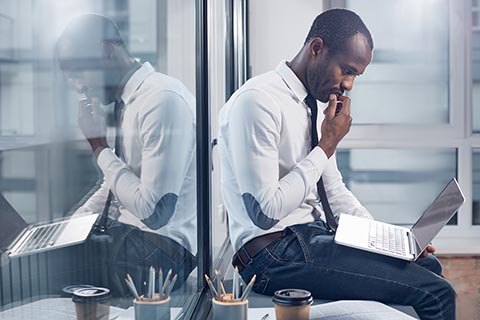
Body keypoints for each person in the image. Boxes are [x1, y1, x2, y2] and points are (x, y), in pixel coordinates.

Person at [218, 8, 455, 320]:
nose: (349, 85)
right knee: (438, 294)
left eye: (355, 75)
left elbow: (334, 193)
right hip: (271, 256)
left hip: (309, 239)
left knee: (427, 265)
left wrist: (392, 242)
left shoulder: (308, 107)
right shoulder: (258, 101)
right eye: (347, 70)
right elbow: (263, 212)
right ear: (317, 49)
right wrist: (327, 143)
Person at [55, 14, 196, 297]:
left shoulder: (162, 100)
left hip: (160, 254)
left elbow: (154, 213)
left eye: (79, 72)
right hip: (136, 243)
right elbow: (114, 186)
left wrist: (98, 146)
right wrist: (67, 229)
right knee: (43, 255)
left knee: (32, 269)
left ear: (106, 52)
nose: (79, 87)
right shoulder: (131, 102)